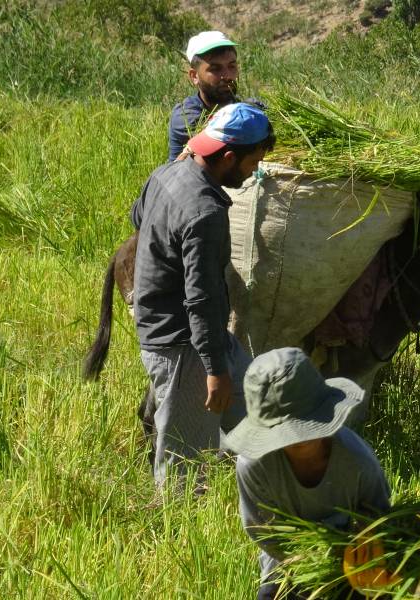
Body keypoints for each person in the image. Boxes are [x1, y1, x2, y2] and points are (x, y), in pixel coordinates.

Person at [132, 102, 276, 492]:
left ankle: (275, 496)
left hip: (186, 331)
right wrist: (213, 371)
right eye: (252, 164)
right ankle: (175, 535)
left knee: (261, 415)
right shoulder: (206, 212)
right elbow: (202, 299)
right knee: (184, 468)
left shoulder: (167, 172)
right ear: (228, 156)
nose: (253, 174)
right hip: (183, 346)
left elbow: (137, 218)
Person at [222, 347, 392, 600]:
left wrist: (352, 549)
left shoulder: (357, 460)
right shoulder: (254, 466)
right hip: (289, 567)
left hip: (357, 563)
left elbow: (379, 518)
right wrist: (311, 558)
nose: (297, 441)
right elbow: (264, 533)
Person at [167, 31, 239, 162]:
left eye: (232, 66)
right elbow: (225, 138)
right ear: (194, 76)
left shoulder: (242, 106)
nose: (228, 75)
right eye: (215, 69)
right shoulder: (186, 116)